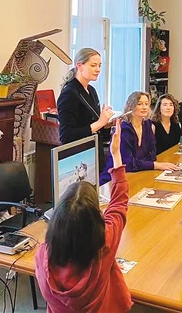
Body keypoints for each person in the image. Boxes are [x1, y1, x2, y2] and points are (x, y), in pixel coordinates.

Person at [35, 119, 133, 313]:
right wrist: (115, 153)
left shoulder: (42, 255)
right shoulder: (105, 245)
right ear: (96, 221)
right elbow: (119, 204)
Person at [100, 91, 179, 184]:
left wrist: (143, 164)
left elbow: (152, 154)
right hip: (114, 179)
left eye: (146, 104)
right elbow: (128, 164)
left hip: (140, 173)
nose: (144, 107)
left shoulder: (147, 124)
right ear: (131, 106)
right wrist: (155, 165)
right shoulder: (124, 129)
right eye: (139, 104)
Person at [57, 48, 114, 171]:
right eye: (93, 65)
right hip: (79, 158)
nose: (98, 69)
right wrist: (99, 123)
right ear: (79, 65)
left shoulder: (92, 91)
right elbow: (66, 136)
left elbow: (96, 129)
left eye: (99, 65)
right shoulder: (69, 93)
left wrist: (106, 125)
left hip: (95, 153)